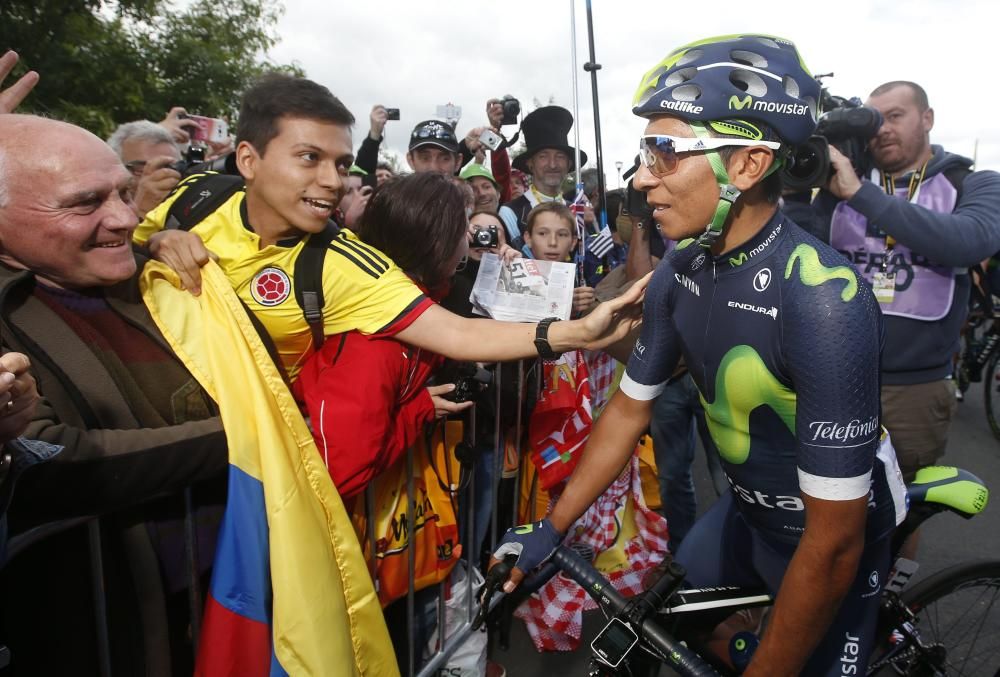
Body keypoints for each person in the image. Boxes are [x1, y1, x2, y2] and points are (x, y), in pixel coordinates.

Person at [490, 34, 907, 676]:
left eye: (663, 154)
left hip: (831, 541)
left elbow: (832, 542)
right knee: (665, 638)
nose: (638, 179)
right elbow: (630, 411)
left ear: (745, 166)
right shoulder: (681, 268)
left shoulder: (824, 300)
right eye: (642, 154)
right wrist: (552, 528)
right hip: (745, 512)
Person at [137, 74, 646, 385]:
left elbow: (458, 333)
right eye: (309, 158)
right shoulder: (197, 195)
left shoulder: (346, 265)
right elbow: (100, 256)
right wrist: (153, 242)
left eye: (339, 163)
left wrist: (579, 332)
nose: (331, 182)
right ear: (247, 159)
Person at [0, 112, 228, 673]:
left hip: (224, 601)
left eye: (125, 193)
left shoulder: (160, 274)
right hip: (103, 629)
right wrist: (251, 433)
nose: (126, 218)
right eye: (85, 202)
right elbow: (50, 460)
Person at [787, 80, 1000, 482]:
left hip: (915, 388)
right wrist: (796, 194)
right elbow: (801, 256)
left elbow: (968, 242)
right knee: (824, 493)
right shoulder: (837, 185)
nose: (882, 128)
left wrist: (860, 193)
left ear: (927, 118)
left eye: (895, 116)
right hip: (831, 374)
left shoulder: (971, 182)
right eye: (874, 120)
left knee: (904, 503)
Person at [499, 106, 587, 251]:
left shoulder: (577, 211)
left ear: (569, 163)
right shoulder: (511, 213)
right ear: (530, 164)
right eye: (543, 156)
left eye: (560, 156)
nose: (552, 164)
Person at [523, 202, 596, 317]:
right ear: (528, 238)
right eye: (542, 233)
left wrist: (579, 309)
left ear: (573, 242)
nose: (553, 242)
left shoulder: (576, 278)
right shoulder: (512, 266)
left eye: (562, 235)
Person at [106, 119, 183, 218]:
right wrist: (141, 211)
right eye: (141, 169)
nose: (162, 175)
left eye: (169, 167)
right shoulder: (94, 212)